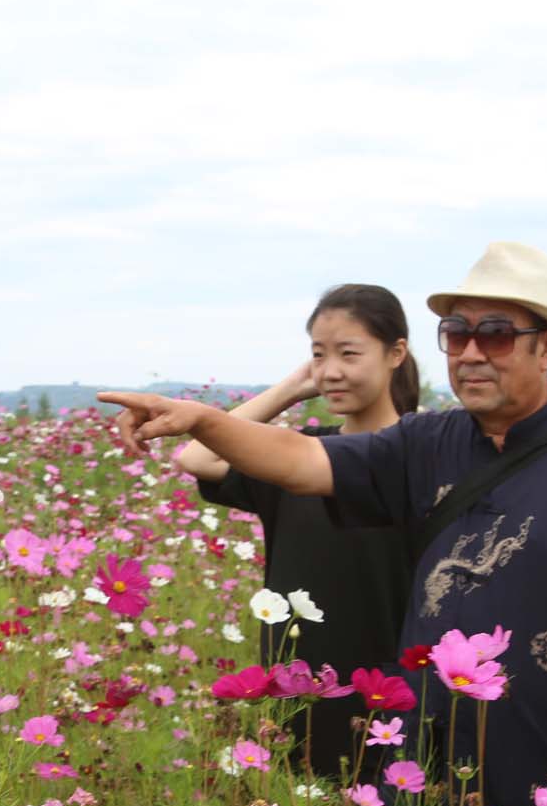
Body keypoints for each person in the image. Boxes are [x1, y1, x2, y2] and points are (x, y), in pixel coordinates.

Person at [101, 242, 547, 806]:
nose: (471, 352)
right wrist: (200, 419)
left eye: (495, 334)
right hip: (430, 781)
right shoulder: (425, 443)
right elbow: (300, 460)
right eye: (457, 333)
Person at [174, 284, 417, 780]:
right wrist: (289, 389)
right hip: (299, 685)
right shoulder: (296, 457)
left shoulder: (423, 455)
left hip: (390, 689)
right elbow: (197, 456)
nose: (330, 371)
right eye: (318, 356)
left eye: (349, 354)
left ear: (396, 353)